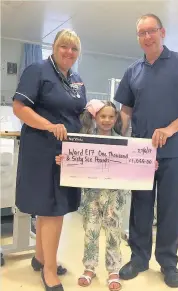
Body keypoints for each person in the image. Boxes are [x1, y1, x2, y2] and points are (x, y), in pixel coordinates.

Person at [114, 14, 178, 288]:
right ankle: (139, 258)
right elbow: (126, 110)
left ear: (162, 32)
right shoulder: (133, 71)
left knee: (170, 209)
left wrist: (169, 129)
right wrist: (112, 136)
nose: (147, 37)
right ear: (138, 38)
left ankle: (168, 262)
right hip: (141, 153)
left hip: (173, 151)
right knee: (140, 208)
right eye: (141, 33)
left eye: (151, 31)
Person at [55, 99, 159, 291]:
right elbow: (74, 161)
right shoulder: (83, 140)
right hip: (91, 196)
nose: (107, 120)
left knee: (113, 232)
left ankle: (113, 270)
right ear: (96, 117)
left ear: (116, 118)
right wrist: (65, 160)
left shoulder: (124, 142)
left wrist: (147, 165)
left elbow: (134, 164)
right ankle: (89, 267)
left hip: (115, 196)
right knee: (91, 231)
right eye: (103, 116)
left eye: (111, 116)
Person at [12, 29, 87, 291]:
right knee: (51, 209)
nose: (69, 52)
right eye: (64, 46)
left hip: (68, 152)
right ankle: (50, 271)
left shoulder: (76, 80)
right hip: (43, 149)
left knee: (54, 207)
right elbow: (20, 107)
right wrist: (49, 125)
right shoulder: (38, 71)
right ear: (54, 47)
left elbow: (78, 112)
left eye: (74, 49)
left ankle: (41, 257)